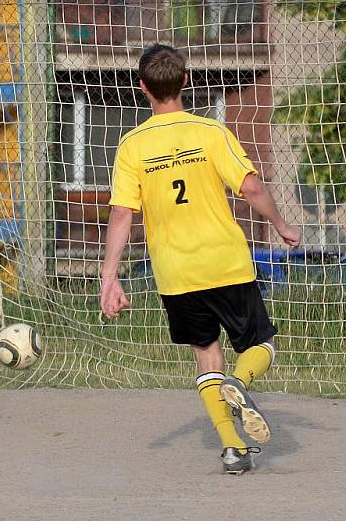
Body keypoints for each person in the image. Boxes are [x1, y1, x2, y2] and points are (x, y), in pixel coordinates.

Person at [100, 44, 301, 474]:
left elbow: (122, 214)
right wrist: (282, 224)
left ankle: (232, 448)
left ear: (142, 89)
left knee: (206, 356)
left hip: (176, 274)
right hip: (225, 263)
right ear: (186, 81)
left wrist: (109, 277)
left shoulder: (132, 145)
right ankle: (240, 382)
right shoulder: (211, 133)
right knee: (262, 344)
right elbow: (250, 188)